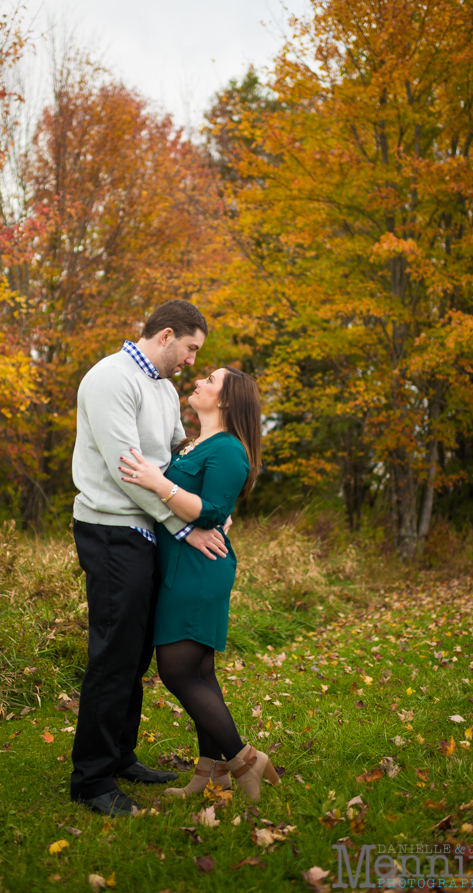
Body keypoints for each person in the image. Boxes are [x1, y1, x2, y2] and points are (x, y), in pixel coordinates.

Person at [70, 300, 230, 817]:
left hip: (147, 531)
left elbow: (172, 459)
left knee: (136, 654)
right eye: (191, 348)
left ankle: (120, 755)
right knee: (115, 652)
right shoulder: (111, 379)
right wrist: (183, 525)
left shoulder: (161, 388)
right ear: (166, 336)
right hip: (113, 529)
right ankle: (92, 780)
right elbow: (126, 472)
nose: (191, 360)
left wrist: (211, 508)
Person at [118, 366, 281, 803]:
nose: (199, 382)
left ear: (226, 401)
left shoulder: (229, 449)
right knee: (200, 673)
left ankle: (245, 759)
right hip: (183, 565)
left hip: (199, 569)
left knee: (175, 669)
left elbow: (210, 511)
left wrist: (158, 482)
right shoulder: (200, 444)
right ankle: (210, 775)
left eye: (210, 380)